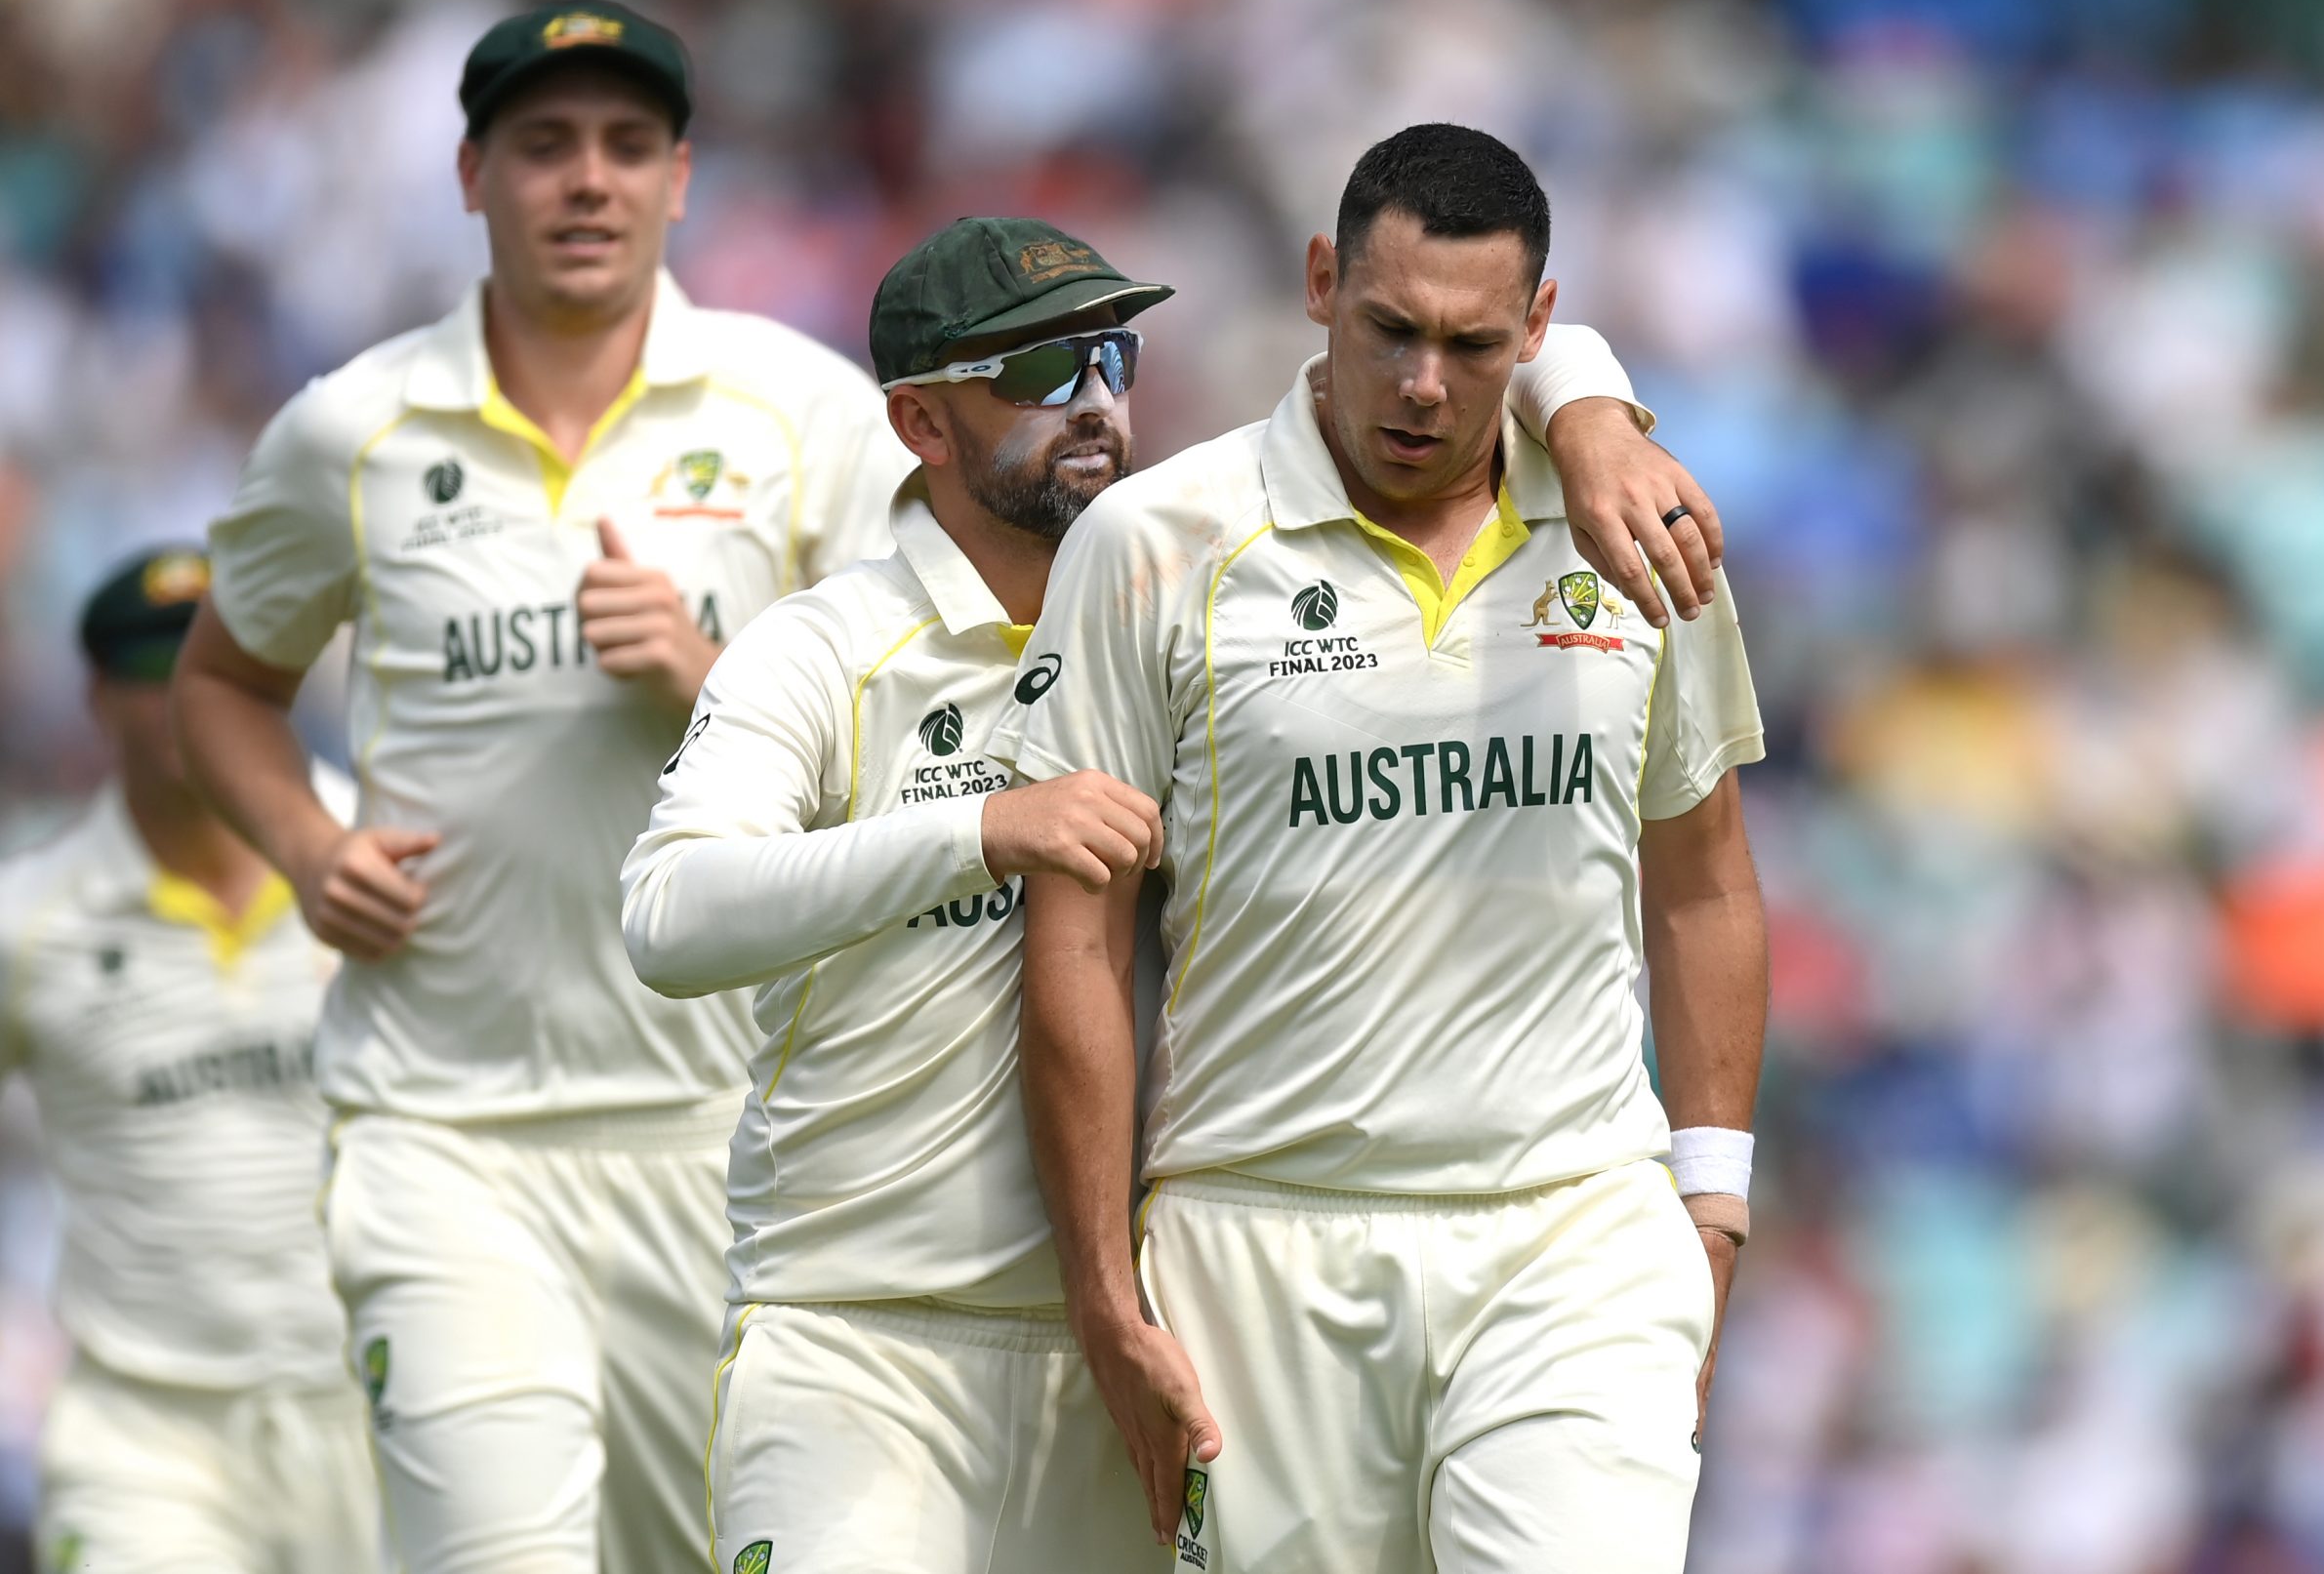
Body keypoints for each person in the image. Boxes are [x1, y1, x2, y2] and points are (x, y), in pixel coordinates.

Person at [619, 211, 1701, 1573]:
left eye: (1112, 356)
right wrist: (980, 829)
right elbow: (670, 915)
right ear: (920, 423)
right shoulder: (824, 650)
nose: (1097, 405)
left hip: (1142, 1340)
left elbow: (1457, 333)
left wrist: (1585, 402)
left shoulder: (1180, 587)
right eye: (1037, 374)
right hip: (861, 1336)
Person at [168, 0, 914, 1574]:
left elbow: (925, 738)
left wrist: (713, 683)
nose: (588, 182)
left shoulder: (802, 414)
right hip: (441, 1132)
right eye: (545, 146)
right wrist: (305, 848)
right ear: (468, 174)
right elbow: (222, 684)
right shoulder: (352, 432)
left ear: (683, 178)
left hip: (729, 1140)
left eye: (628, 146)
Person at [990, 124, 1771, 1573]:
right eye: (1388, 328)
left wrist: (1710, 1207)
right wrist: (1103, 1293)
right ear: (1316, 285)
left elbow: (1707, 875)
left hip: (1572, 1230)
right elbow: (1079, 940)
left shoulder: (1641, 526)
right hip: (1257, 1236)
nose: (1424, 384)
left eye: (1475, 346)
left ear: (1540, 328)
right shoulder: (1157, 541)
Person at [1, 545, 381, 1574]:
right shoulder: (31, 917)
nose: (184, 698)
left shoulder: (386, 850)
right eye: (152, 669)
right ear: (96, 696)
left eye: (215, 662)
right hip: (146, 1431)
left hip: (381, 1403)